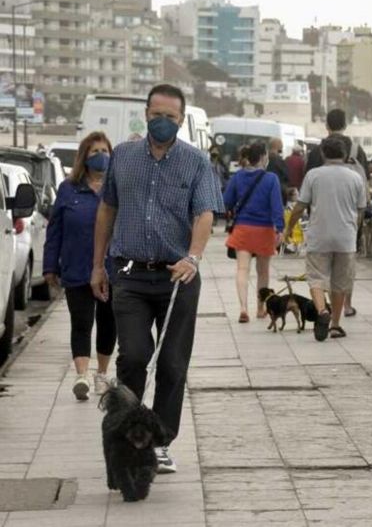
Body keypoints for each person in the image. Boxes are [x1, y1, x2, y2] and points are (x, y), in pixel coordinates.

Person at [91, 83, 224, 474]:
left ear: (181, 120)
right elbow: (106, 211)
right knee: (133, 356)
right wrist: (98, 265)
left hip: (177, 278)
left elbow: (204, 215)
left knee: (171, 365)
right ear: (145, 114)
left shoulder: (196, 162)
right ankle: (125, 432)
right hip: (130, 276)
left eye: (170, 117)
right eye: (156, 114)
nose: (162, 122)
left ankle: (160, 441)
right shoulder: (124, 157)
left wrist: (193, 257)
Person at [44, 132, 118, 401]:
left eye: (105, 150)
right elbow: (55, 230)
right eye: (95, 150)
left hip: (111, 269)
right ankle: (82, 376)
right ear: (84, 157)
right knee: (81, 322)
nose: (101, 156)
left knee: (108, 322)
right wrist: (49, 266)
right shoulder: (68, 189)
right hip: (76, 267)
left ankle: (101, 373)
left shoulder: (117, 188)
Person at [285, 137, 366, 341]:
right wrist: (354, 230)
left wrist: (289, 229)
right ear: (345, 155)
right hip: (345, 237)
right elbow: (361, 209)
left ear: (323, 154)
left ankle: (322, 312)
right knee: (340, 283)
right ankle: (336, 325)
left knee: (316, 277)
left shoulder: (313, 175)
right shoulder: (355, 177)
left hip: (319, 235)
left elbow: (300, 206)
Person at [223, 142, 284, 323]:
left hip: (243, 228)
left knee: (242, 269)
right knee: (263, 272)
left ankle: (243, 308)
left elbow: (226, 201)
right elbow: (276, 206)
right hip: (264, 230)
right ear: (264, 157)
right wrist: (279, 228)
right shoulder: (271, 178)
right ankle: (261, 307)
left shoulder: (238, 177)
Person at [307, 109, 368, 176]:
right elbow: (364, 177)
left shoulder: (316, 152)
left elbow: (308, 178)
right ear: (345, 126)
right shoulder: (357, 151)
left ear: (327, 126)